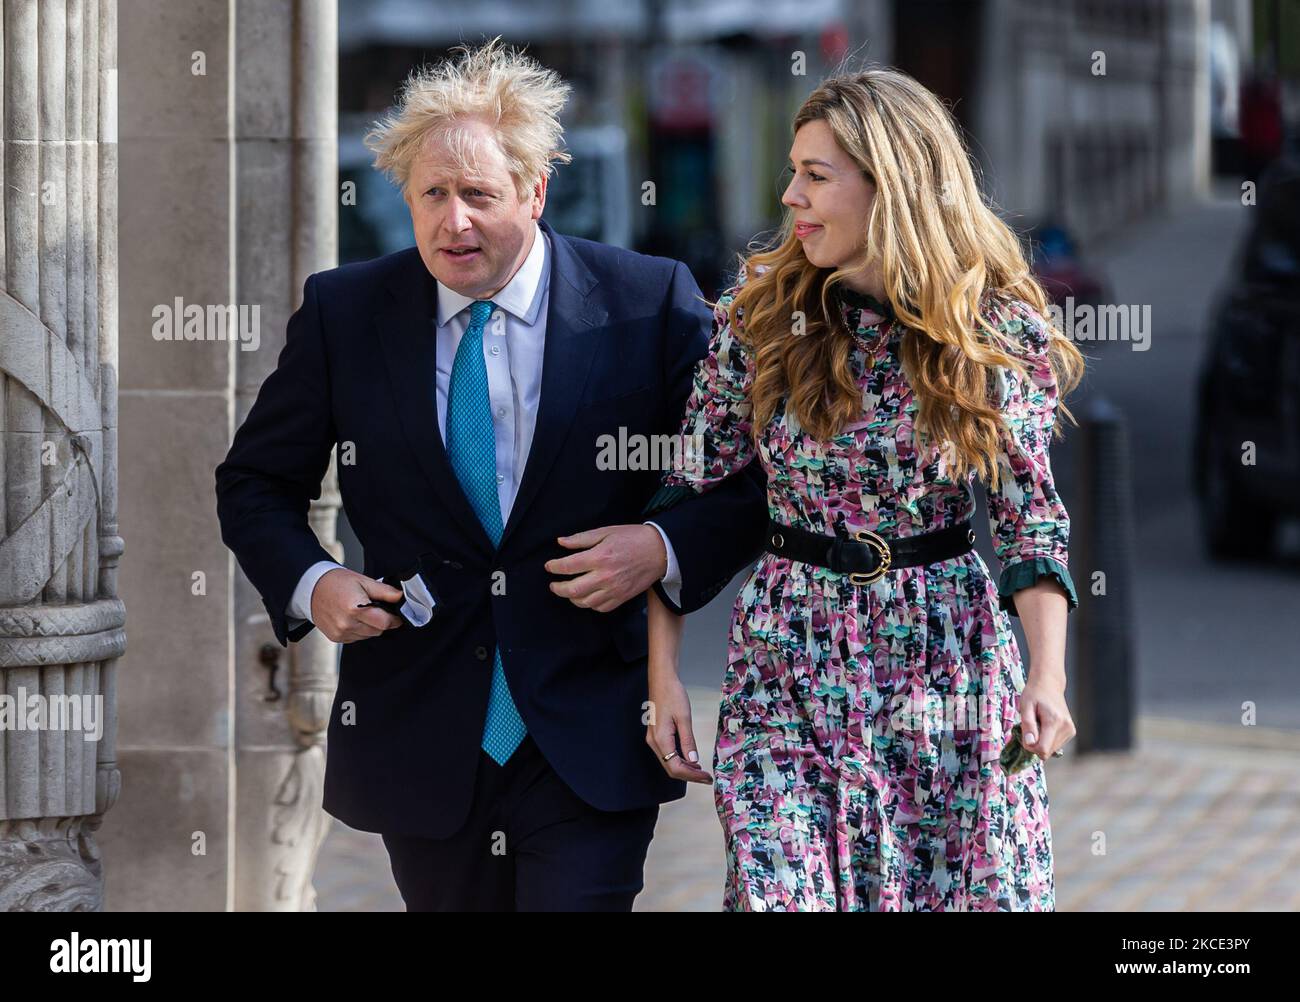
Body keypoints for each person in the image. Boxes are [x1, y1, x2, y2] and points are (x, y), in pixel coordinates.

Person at [214, 37, 766, 911]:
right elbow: (253, 483)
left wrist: (660, 546)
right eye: (432, 194)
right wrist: (313, 582)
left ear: (536, 191)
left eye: (478, 194)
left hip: (590, 726)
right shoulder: (345, 313)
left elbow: (745, 481)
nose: (452, 220)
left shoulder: (646, 302)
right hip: (423, 729)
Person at [642, 67, 1085, 911]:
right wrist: (662, 679)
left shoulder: (994, 332)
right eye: (792, 173)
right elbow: (684, 494)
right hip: (789, 660)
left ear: (894, 184)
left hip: (946, 660)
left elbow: (1032, 526)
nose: (790, 196)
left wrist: (1048, 678)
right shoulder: (761, 318)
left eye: (816, 175)